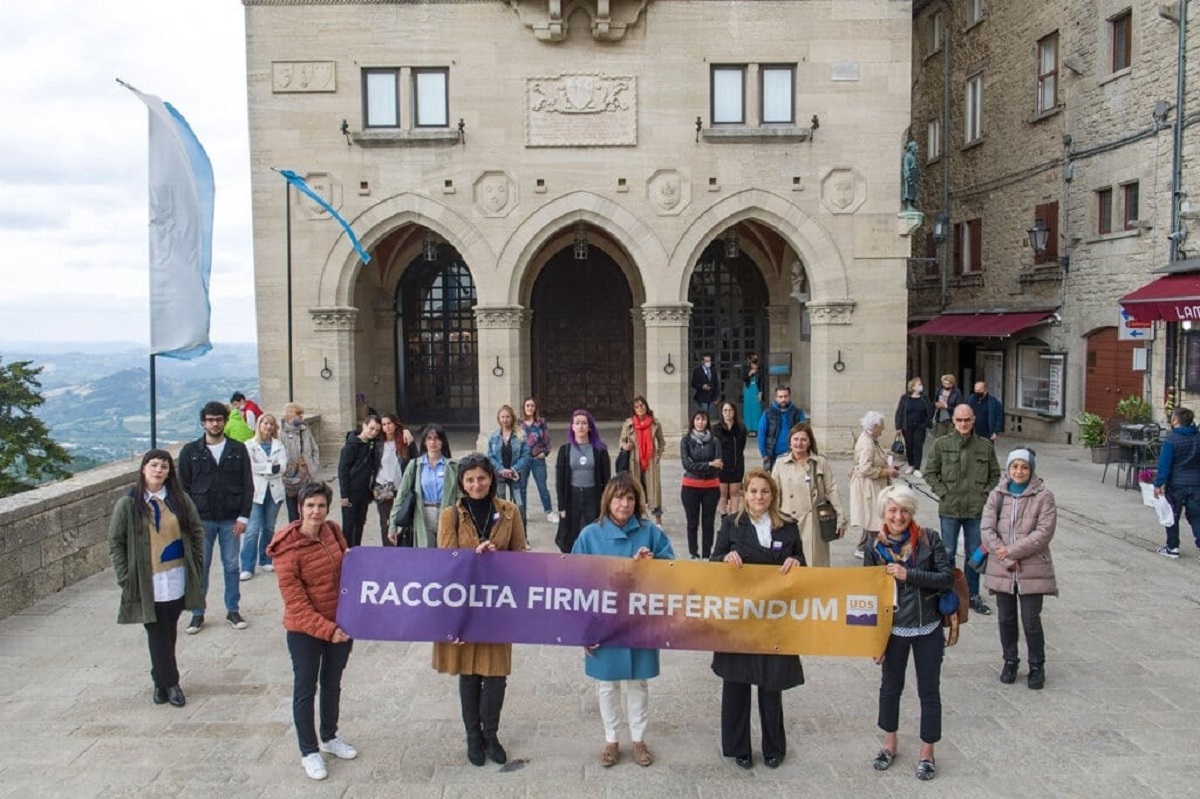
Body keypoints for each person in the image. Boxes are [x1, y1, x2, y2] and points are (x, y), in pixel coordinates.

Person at [572, 474, 675, 768]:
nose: (624, 504)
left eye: (630, 498)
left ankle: (639, 738)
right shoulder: (590, 535)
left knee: (638, 682)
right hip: (602, 622)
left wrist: (651, 563)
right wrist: (582, 629)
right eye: (619, 497)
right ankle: (612, 739)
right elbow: (575, 584)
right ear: (608, 500)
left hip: (640, 621)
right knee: (607, 684)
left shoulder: (649, 532)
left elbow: (672, 568)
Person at [434, 454, 527, 766]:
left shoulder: (510, 512)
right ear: (462, 482)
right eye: (470, 479)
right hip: (465, 605)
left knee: (497, 673)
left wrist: (497, 557)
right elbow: (445, 558)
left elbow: (521, 556)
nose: (476, 485)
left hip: (498, 604)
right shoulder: (451, 516)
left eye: (482, 478)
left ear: (491, 479)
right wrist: (473, 555)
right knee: (470, 673)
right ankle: (473, 736)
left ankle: (491, 733)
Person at [711, 468, 806, 770]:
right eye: (753, 491)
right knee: (737, 684)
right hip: (740, 618)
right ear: (744, 494)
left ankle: (774, 747)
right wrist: (725, 560)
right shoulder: (730, 524)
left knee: (771, 684)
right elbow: (713, 563)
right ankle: (739, 747)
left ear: (772, 495)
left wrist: (797, 563)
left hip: (774, 618)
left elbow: (803, 564)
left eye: (764, 491)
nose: (758, 497)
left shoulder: (788, 527)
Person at [266, 482, 358, 781]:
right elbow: (296, 603)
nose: (316, 511)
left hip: (340, 625)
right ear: (300, 508)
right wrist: (327, 630)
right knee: (305, 689)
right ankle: (309, 751)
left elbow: (351, 570)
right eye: (310, 506)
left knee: (332, 683)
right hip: (305, 631)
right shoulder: (287, 550)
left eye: (320, 505)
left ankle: (329, 736)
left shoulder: (332, 531)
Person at [863, 484, 954, 782]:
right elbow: (868, 596)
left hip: (927, 626)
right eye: (892, 510)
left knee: (929, 691)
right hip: (893, 631)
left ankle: (927, 752)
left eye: (903, 510)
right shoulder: (874, 548)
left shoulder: (929, 540)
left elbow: (945, 578)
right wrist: (874, 640)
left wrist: (908, 574)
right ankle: (889, 744)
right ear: (883, 514)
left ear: (911, 512)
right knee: (890, 688)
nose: (898, 516)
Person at [107, 449, 205, 708]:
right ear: (143, 469)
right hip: (146, 580)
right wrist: (125, 576)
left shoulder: (180, 500)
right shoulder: (128, 504)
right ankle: (172, 683)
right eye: (153, 465)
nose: (158, 470)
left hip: (175, 576)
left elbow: (196, 531)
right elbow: (116, 542)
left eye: (163, 466)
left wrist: (196, 561)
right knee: (155, 630)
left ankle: (159, 680)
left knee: (168, 629)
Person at [982, 448, 1057, 690]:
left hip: (1032, 567)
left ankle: (1037, 666)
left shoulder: (1044, 496)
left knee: (1031, 620)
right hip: (1002, 568)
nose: (1019, 471)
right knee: (1006, 618)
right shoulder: (997, 494)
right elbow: (987, 530)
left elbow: (1044, 532)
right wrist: (1004, 557)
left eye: (1024, 467)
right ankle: (1010, 661)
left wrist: (1012, 552)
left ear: (1031, 470)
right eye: (1015, 466)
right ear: (1008, 468)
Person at [178, 401, 254, 634]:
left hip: (231, 517)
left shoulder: (237, 449)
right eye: (210, 420)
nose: (214, 423)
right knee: (201, 567)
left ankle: (232, 609)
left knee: (231, 565)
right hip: (201, 519)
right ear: (203, 423)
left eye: (218, 419)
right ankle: (197, 613)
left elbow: (247, 484)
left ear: (225, 421)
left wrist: (244, 516)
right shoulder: (190, 452)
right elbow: (183, 489)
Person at [924, 405, 1001, 615]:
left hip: (976, 510)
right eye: (959, 420)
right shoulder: (942, 444)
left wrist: (984, 494)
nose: (963, 424)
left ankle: (972, 594)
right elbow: (929, 472)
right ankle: (948, 592)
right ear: (954, 421)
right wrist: (943, 492)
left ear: (973, 420)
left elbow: (995, 474)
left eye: (967, 420)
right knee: (947, 552)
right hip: (950, 508)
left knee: (974, 554)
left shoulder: (985, 446)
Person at [772, 422, 845, 567]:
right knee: (789, 564)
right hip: (789, 521)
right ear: (790, 442)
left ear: (810, 442)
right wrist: (773, 518)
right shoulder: (780, 463)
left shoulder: (819, 462)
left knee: (814, 564)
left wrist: (841, 519)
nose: (799, 443)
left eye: (803, 439)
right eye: (796, 439)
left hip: (814, 523)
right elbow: (775, 494)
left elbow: (832, 490)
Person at [390, 424, 460, 548]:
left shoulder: (453, 466)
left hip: (447, 514)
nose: (433, 442)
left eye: (437, 438)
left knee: (446, 553)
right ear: (424, 442)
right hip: (424, 515)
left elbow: (460, 495)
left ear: (443, 442)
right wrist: (392, 525)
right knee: (427, 554)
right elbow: (401, 495)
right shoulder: (415, 465)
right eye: (429, 438)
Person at [555, 409, 611, 553]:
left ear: (589, 427)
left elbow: (607, 480)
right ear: (572, 427)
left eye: (584, 423)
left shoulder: (600, 450)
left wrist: (606, 504)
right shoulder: (564, 450)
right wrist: (562, 507)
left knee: (592, 527)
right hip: (572, 495)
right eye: (577, 423)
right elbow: (560, 481)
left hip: (593, 495)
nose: (580, 426)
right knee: (573, 529)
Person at [241, 413, 287, 580]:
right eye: (265, 423)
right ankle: (247, 565)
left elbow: (282, 467)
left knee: (268, 527)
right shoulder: (249, 445)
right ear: (259, 425)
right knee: (252, 530)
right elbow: (250, 467)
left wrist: (267, 468)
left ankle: (265, 558)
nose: (268, 427)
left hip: (274, 491)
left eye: (271, 424)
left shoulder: (279, 445)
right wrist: (269, 468)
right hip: (256, 491)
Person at [849, 411, 900, 558]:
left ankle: (866, 546)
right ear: (875, 426)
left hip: (872, 484)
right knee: (874, 518)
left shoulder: (870, 438)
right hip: (868, 485)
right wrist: (886, 472)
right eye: (881, 427)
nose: (883, 430)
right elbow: (865, 469)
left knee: (872, 518)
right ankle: (865, 548)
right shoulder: (867, 444)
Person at [1154, 406, 1200, 559]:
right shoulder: (1198, 437)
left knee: (1172, 515)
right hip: (1196, 484)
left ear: (1175, 420)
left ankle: (1173, 547)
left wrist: (1158, 484)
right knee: (1196, 517)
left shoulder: (1171, 439)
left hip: (1176, 485)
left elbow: (1164, 465)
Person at [681, 410, 724, 560]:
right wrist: (709, 464)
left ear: (707, 421)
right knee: (692, 522)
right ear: (693, 421)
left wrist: (700, 465)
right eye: (697, 419)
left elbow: (718, 465)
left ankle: (706, 554)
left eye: (703, 419)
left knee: (708, 523)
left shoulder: (715, 441)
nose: (700, 422)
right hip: (690, 486)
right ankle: (693, 552)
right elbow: (686, 465)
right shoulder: (686, 441)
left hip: (711, 487)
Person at [618, 396, 666, 525]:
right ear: (634, 409)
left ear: (646, 406)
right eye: (637, 406)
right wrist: (625, 446)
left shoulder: (655, 423)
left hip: (650, 461)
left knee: (654, 491)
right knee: (636, 489)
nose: (640, 408)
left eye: (642, 405)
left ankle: (658, 521)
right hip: (635, 462)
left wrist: (657, 456)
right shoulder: (629, 424)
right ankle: (636, 518)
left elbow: (662, 442)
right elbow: (621, 441)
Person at [336, 416, 381, 548]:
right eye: (371, 428)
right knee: (349, 525)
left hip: (364, 492)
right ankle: (346, 551)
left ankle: (357, 549)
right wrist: (344, 494)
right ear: (364, 426)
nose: (373, 432)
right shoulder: (350, 447)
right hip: (350, 492)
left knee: (360, 523)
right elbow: (342, 470)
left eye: (377, 430)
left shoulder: (372, 444)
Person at [374, 414, 417, 547]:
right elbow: (360, 434)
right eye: (384, 424)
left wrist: (406, 430)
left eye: (389, 423)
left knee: (403, 518)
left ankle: (403, 546)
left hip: (401, 486)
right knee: (385, 521)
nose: (387, 427)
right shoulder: (377, 443)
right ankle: (388, 549)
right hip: (383, 487)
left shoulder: (405, 441)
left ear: (395, 424)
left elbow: (416, 460)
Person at [487, 404, 532, 527]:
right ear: (498, 418)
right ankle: (501, 535)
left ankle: (523, 538)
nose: (505, 419)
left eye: (507, 417)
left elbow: (526, 456)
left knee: (519, 505)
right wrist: (501, 469)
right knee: (499, 505)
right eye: (502, 417)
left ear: (512, 418)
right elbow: (490, 456)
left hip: (515, 475)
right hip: (499, 475)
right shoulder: (494, 436)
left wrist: (513, 469)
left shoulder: (520, 435)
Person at [518, 397, 556, 524]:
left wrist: (544, 453)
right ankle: (521, 513)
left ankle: (549, 511)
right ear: (524, 408)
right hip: (523, 460)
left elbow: (546, 440)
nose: (530, 408)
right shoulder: (519, 424)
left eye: (532, 406)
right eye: (527, 405)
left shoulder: (541, 422)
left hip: (537, 459)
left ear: (535, 408)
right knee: (521, 487)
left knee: (542, 486)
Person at [281, 403, 320, 523]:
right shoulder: (281, 432)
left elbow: (314, 449)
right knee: (293, 513)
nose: (301, 417)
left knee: (308, 511)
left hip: (307, 475)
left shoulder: (305, 429)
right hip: (291, 478)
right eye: (298, 414)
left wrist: (314, 466)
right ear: (289, 415)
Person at [757, 385, 807, 472]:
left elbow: (806, 433)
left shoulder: (798, 413)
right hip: (774, 456)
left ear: (789, 396)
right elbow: (761, 434)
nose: (783, 399)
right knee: (776, 484)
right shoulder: (768, 413)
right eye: (780, 397)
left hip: (794, 455)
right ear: (776, 398)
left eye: (785, 396)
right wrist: (764, 454)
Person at [714, 401, 747, 518]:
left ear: (734, 412)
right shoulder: (716, 429)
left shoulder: (741, 428)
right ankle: (724, 516)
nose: (728, 413)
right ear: (721, 413)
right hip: (722, 466)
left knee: (735, 493)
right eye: (725, 411)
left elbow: (742, 445)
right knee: (722, 493)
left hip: (736, 464)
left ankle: (734, 517)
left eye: (730, 410)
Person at [894, 378, 933, 477]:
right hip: (907, 426)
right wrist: (898, 427)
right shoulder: (905, 398)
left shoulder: (924, 398)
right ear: (913, 387)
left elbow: (929, 410)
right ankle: (911, 464)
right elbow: (899, 412)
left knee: (918, 446)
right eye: (919, 384)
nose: (921, 386)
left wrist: (927, 422)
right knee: (909, 446)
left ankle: (917, 468)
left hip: (920, 426)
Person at [932, 375, 962, 440]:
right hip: (941, 419)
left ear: (952, 384)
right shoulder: (939, 390)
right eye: (944, 383)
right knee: (939, 439)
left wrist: (947, 407)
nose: (946, 386)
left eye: (948, 384)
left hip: (951, 420)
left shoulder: (956, 393)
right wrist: (936, 404)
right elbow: (934, 401)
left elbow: (958, 408)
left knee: (951, 439)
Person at [742, 354, 763, 433]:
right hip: (748, 389)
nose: (755, 366)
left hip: (756, 390)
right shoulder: (746, 369)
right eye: (753, 364)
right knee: (748, 408)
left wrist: (760, 393)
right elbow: (744, 379)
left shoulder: (760, 371)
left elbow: (761, 382)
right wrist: (749, 374)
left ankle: (757, 428)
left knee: (756, 408)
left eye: (756, 365)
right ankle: (748, 428)